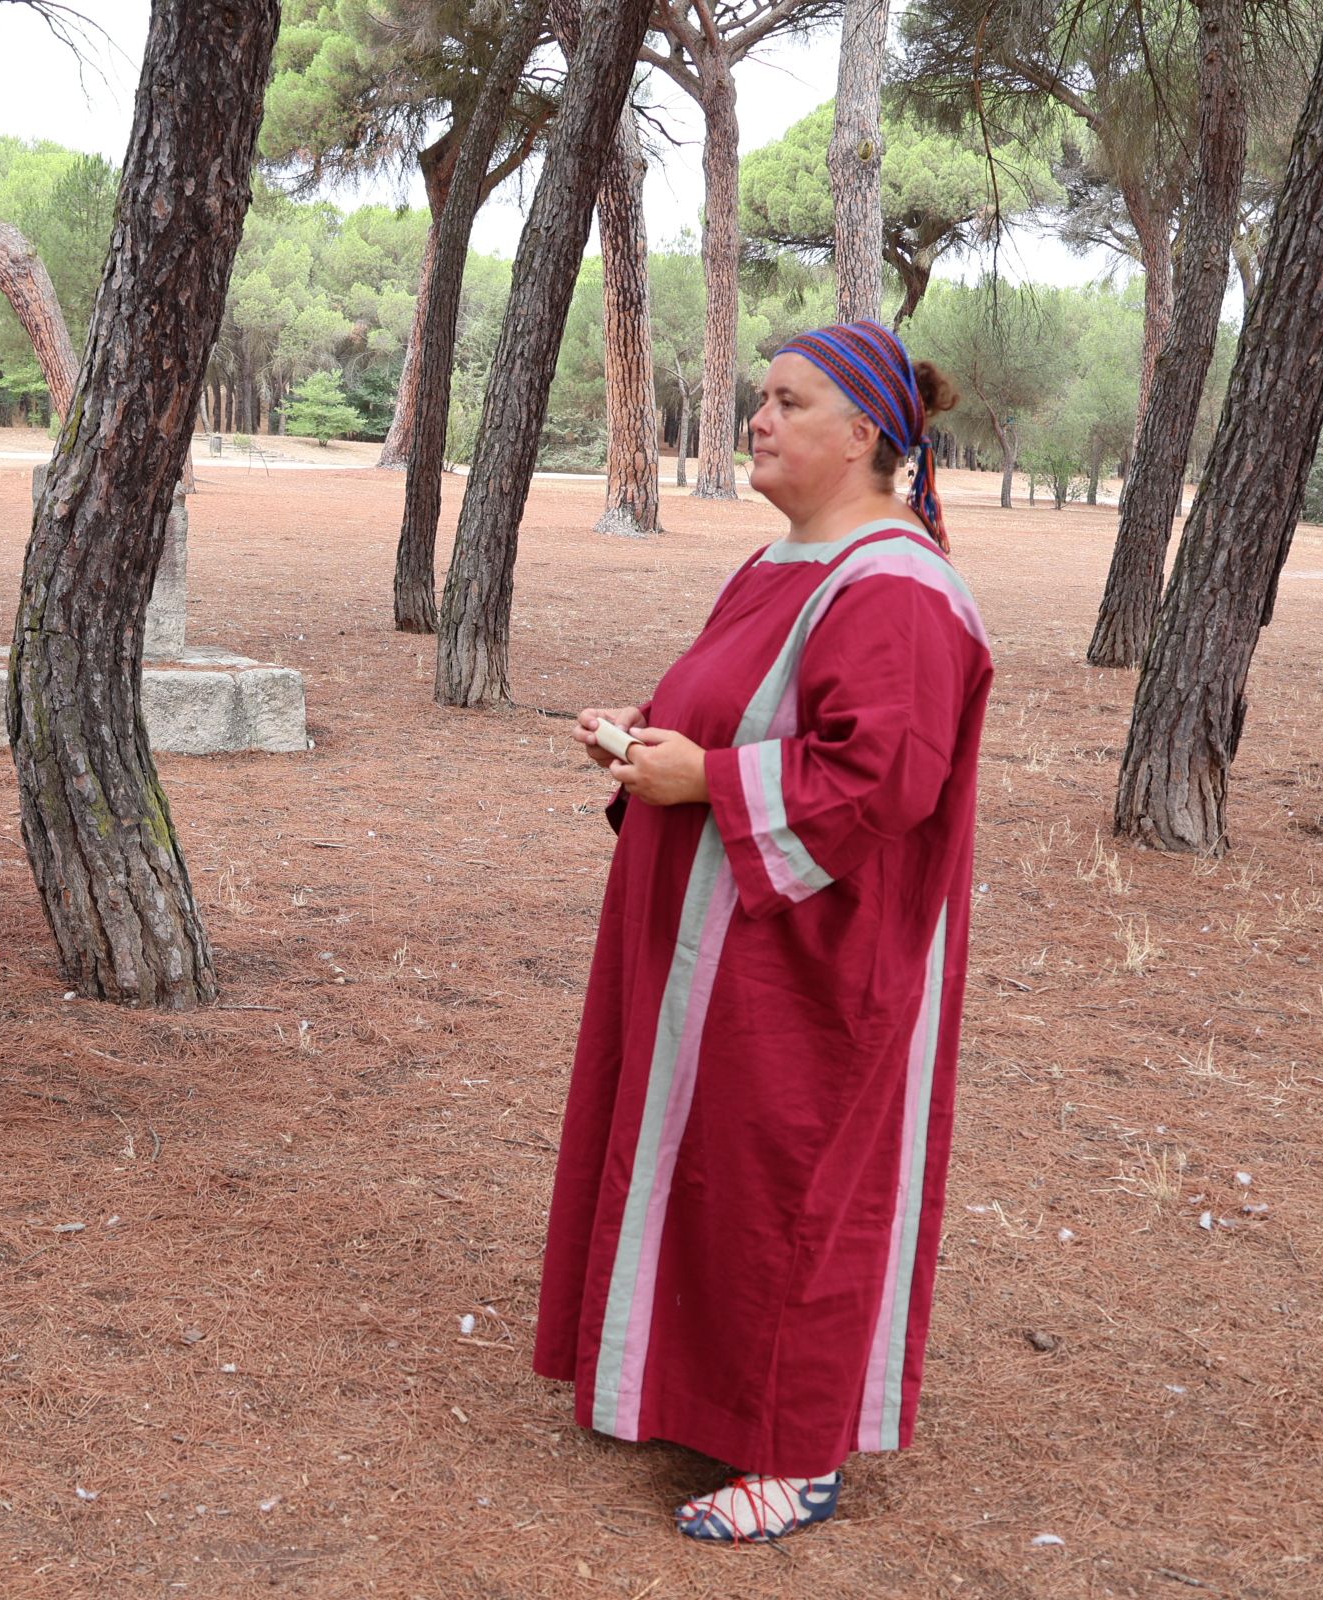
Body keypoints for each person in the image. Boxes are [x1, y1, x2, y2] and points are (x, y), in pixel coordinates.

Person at [539, 320, 993, 1546]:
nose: (760, 417)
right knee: (714, 1170)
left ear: (864, 436)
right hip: (721, 936)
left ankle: (795, 1456)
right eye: (762, 397)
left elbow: (883, 777)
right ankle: (689, 1385)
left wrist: (710, 784)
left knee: (794, 1187)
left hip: (810, 961)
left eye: (789, 401)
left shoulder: (895, 589)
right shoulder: (784, 560)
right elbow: (744, 706)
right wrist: (646, 739)